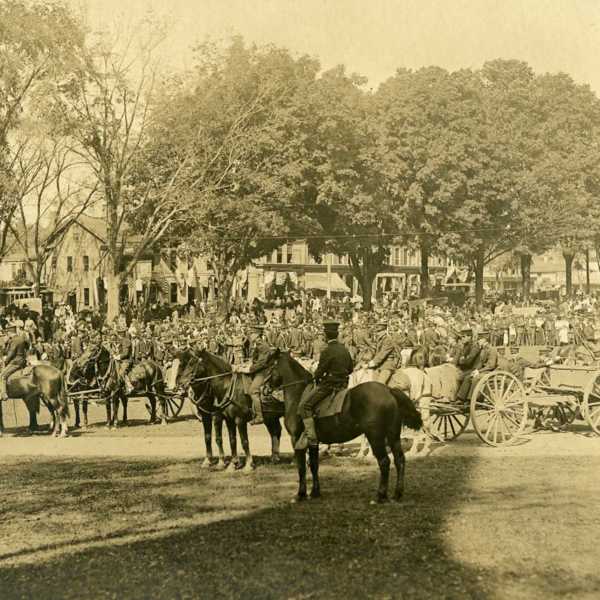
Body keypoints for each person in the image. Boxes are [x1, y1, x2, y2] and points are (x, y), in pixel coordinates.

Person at [296, 320, 354, 448]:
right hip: (343, 384)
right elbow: (351, 369)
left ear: (326, 336)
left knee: (305, 406)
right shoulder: (344, 349)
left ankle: (311, 438)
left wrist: (313, 377)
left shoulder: (327, 350)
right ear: (337, 334)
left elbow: (320, 371)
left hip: (329, 385)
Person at [247, 325, 273, 425]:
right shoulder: (257, 344)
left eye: (252, 333)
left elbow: (262, 363)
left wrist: (250, 369)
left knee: (253, 391)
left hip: (264, 372)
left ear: (257, 335)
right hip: (259, 370)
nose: (250, 335)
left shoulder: (262, 345)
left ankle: (259, 416)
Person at [0, 325, 30, 401]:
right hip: (22, 360)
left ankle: (3, 393)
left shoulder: (14, 340)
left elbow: (11, 353)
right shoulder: (21, 339)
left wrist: (5, 362)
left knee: (2, 375)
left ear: (10, 332)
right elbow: (27, 348)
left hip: (16, 361)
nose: (7, 335)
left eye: (7, 333)